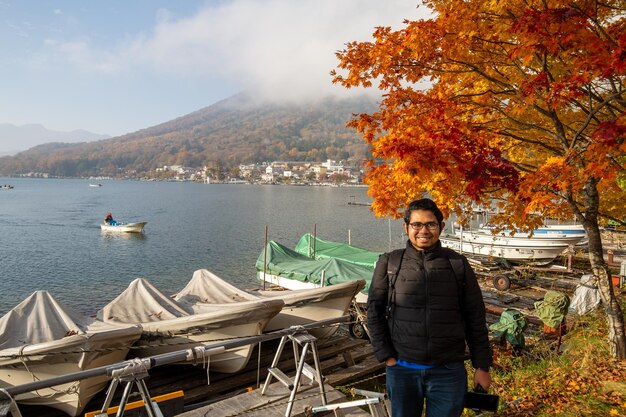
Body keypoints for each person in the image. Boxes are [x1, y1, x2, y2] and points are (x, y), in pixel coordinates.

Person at [367, 198, 492, 417]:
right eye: (417, 224)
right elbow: (374, 312)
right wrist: (386, 357)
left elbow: (475, 317)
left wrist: (481, 366)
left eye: (430, 224)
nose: (423, 230)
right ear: (406, 227)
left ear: (441, 226)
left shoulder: (457, 264)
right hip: (402, 369)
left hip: (448, 370)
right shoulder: (390, 263)